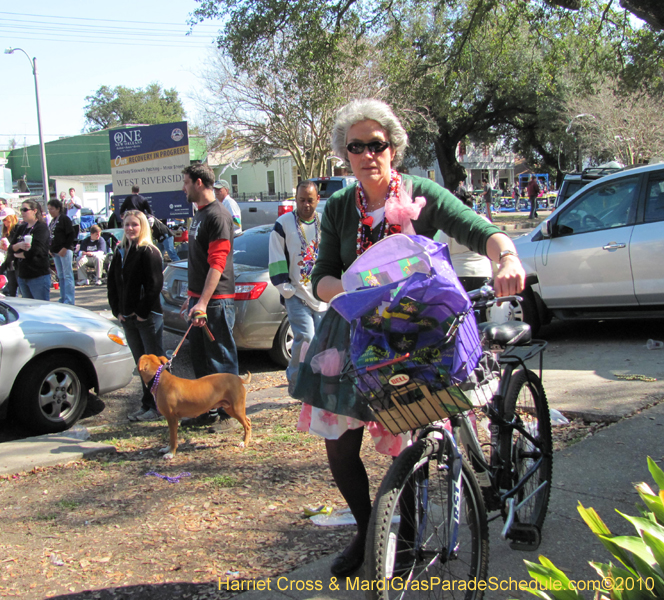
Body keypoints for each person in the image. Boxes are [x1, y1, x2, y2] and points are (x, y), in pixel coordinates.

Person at [293, 98, 525, 577]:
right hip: (354, 328)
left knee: (415, 436)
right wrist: (354, 294)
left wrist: (507, 258)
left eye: (375, 144)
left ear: (392, 148)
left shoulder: (422, 194)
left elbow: (480, 231)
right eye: (355, 147)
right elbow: (322, 275)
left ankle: (410, 537)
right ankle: (368, 532)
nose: (367, 155)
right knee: (339, 444)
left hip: (417, 332)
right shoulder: (339, 208)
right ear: (345, 154)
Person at [179, 163, 238, 432]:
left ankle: (229, 415)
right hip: (200, 301)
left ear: (199, 183)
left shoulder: (218, 216)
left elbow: (217, 264)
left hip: (216, 302)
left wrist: (203, 302)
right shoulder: (200, 214)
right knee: (201, 360)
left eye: (186, 182)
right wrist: (192, 298)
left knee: (221, 360)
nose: (183, 187)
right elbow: (199, 264)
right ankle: (207, 410)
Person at [268, 180, 328, 392]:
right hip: (296, 294)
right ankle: (294, 382)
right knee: (306, 338)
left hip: (322, 294)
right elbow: (275, 257)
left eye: (310, 200)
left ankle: (318, 384)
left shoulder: (325, 222)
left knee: (322, 342)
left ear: (318, 199)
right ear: (295, 199)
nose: (306, 205)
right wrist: (286, 289)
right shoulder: (283, 224)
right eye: (301, 200)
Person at [107, 210, 164, 422]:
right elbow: (112, 283)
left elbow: (154, 285)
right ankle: (147, 404)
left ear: (143, 227)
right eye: (127, 224)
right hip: (127, 318)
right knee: (142, 366)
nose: (130, 228)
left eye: (135, 224)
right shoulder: (120, 251)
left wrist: (140, 312)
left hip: (147, 318)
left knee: (154, 365)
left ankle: (160, 406)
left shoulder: (149, 251)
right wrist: (117, 310)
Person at [7, 199, 51, 300]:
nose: (22, 212)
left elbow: (36, 251)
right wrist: (18, 246)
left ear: (34, 211)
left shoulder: (41, 228)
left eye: (25, 210)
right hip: (23, 275)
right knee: (28, 306)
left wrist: (18, 254)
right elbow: (10, 249)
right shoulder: (21, 228)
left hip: (38, 275)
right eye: (21, 210)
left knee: (40, 306)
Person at [47, 198, 77, 305]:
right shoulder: (52, 222)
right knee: (61, 276)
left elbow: (71, 234)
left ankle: (69, 299)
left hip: (64, 250)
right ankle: (63, 297)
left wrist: (65, 248)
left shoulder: (64, 219)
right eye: (49, 209)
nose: (50, 212)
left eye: (52, 209)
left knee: (67, 275)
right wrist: (50, 249)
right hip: (55, 252)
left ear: (58, 208)